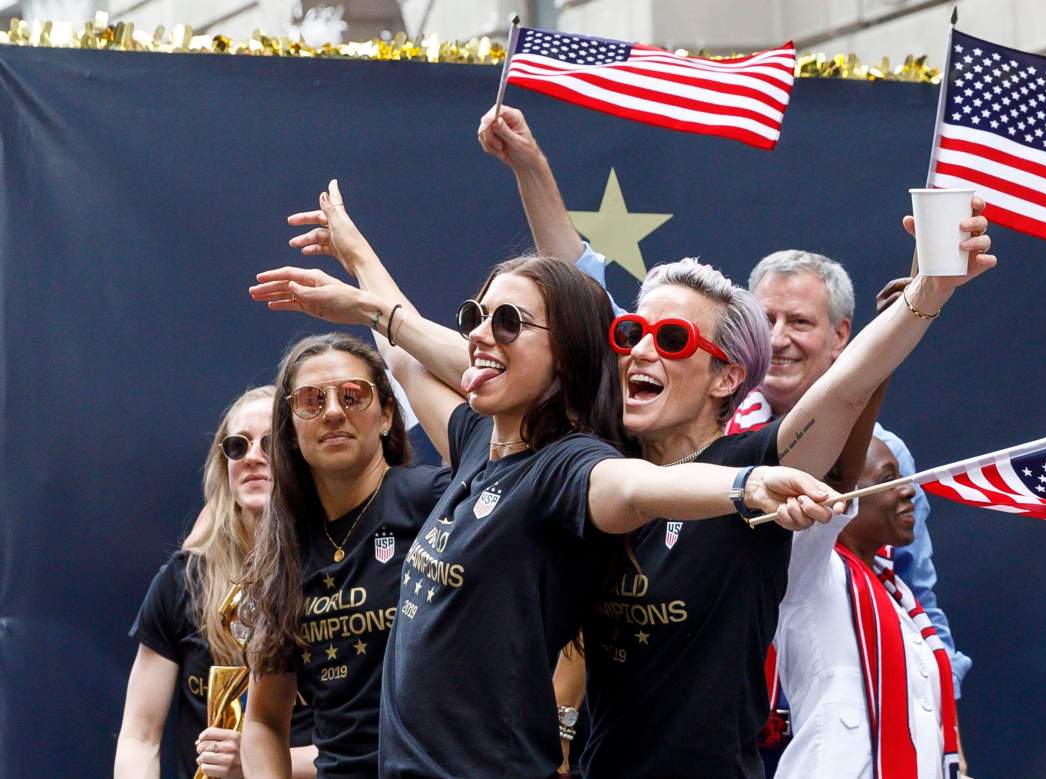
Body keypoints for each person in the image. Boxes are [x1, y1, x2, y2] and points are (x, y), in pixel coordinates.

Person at [474, 105, 992, 776]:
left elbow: (849, 388)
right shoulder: (601, 458)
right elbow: (577, 281)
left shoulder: (757, 469)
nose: (639, 353)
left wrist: (927, 294)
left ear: (725, 375)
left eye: (673, 340)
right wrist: (529, 167)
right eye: (631, 335)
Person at [250, 204, 843, 776]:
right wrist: (357, 262)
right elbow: (405, 359)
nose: (482, 334)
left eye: (507, 322)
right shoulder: (480, 442)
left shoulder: (567, 467)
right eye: (475, 317)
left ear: (565, 353)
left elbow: (638, 488)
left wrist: (749, 483)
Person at [238, 333, 451, 778]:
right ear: (291, 431)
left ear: (388, 415)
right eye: (312, 400)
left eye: (353, 396)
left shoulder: (434, 501)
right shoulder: (286, 548)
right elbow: (262, 720)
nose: (333, 411)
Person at [116, 386, 317, 779]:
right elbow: (139, 736)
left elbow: (366, 746)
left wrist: (261, 760)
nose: (253, 458)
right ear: (223, 464)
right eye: (237, 446)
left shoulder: (337, 572)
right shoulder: (184, 579)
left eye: (270, 443)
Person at [773, 436, 960, 777]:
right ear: (843, 496)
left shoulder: (898, 598)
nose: (909, 491)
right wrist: (872, 382)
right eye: (889, 479)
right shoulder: (811, 573)